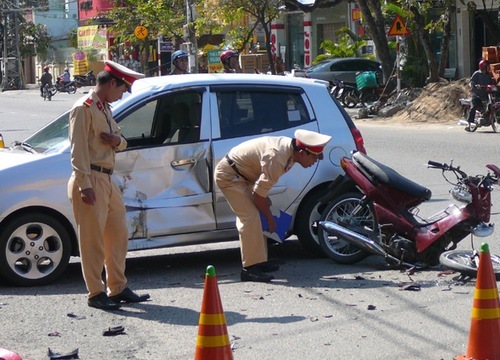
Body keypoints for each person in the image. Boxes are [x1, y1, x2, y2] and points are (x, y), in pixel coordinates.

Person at [67, 60, 150, 311]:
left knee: (117, 236)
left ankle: (118, 287)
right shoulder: (84, 108)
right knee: (93, 242)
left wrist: (117, 141)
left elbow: (121, 140)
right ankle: (95, 292)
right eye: (122, 89)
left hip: (107, 179)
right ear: (112, 83)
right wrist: (84, 185)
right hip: (90, 178)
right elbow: (77, 150)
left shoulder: (104, 108)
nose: (122, 94)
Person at [214, 129, 332, 282]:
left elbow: (260, 190)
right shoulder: (278, 158)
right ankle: (249, 269)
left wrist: (265, 205)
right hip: (230, 177)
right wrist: (270, 220)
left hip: (244, 176)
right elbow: (258, 195)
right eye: (314, 157)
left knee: (259, 211)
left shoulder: (289, 151)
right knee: (250, 217)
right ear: (303, 152)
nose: (315, 161)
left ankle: (259, 261)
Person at [466, 59, 498, 131]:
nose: (488, 68)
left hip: (486, 95)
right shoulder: (477, 74)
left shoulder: (488, 75)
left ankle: (486, 116)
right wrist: (475, 86)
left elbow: (491, 83)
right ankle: (469, 123)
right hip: (477, 95)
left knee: (492, 104)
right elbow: (471, 82)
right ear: (483, 67)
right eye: (487, 66)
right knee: (474, 106)